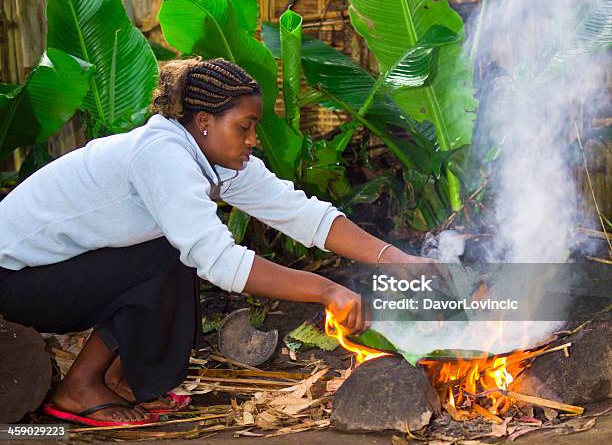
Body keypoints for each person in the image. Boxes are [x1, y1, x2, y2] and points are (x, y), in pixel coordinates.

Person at [0, 58, 432, 426]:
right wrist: (327, 290)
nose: (253, 140)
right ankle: (79, 388)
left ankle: (118, 380)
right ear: (204, 122)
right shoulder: (161, 155)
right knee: (170, 253)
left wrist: (394, 258)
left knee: (165, 252)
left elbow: (301, 214)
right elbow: (219, 262)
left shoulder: (211, 157)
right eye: (244, 127)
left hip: (57, 272)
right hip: (16, 281)